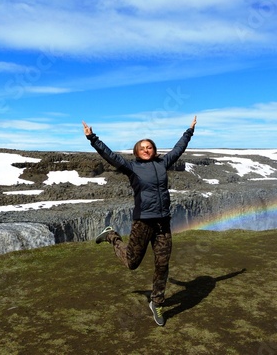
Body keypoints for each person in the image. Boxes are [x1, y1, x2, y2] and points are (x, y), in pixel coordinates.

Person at [82, 116, 197, 326]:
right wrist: (93, 138)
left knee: (162, 265)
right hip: (143, 222)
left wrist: (189, 131)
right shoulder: (132, 167)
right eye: (142, 147)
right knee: (131, 263)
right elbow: (110, 156)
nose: (147, 150)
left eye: (150, 147)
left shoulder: (163, 163)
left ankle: (157, 302)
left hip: (163, 224)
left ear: (154, 150)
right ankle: (111, 236)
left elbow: (178, 149)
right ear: (137, 152)